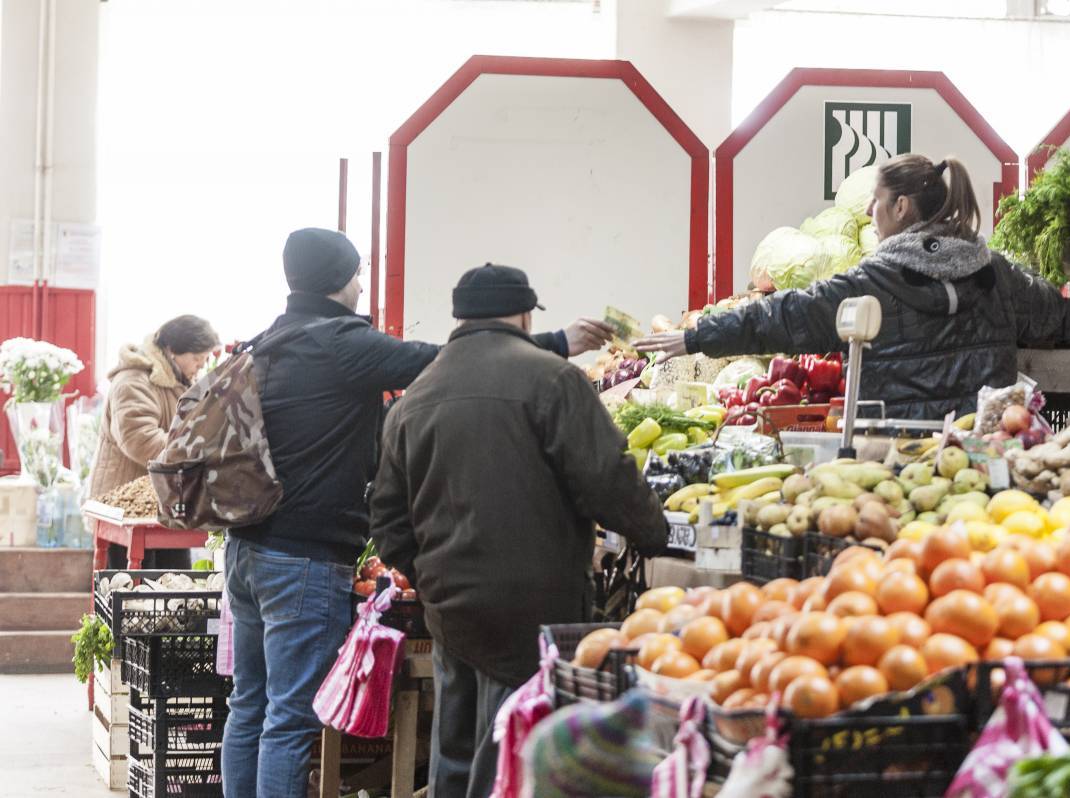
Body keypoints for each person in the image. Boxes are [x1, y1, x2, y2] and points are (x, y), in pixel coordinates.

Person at [220, 229, 616, 798]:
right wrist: (557, 342)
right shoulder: (339, 342)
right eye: (357, 274)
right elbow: (447, 362)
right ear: (338, 279)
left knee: (249, 705)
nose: (361, 286)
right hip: (301, 556)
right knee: (288, 718)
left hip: (246, 548)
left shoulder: (271, 340)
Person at [370, 263, 669, 798]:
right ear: (526, 314)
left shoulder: (414, 397)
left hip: (449, 610)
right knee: (514, 757)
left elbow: (388, 522)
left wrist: (432, 575)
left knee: (456, 756)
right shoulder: (554, 379)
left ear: (460, 317)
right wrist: (655, 535)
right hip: (535, 608)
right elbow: (608, 478)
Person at [634, 154, 1070, 419]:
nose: (867, 211)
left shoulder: (870, 283)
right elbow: (1054, 315)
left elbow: (784, 315)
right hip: (980, 452)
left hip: (893, 459)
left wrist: (696, 337)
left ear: (901, 207)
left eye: (876, 200)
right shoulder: (996, 273)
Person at [89, 314, 220, 568]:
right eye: (196, 358)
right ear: (173, 350)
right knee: (131, 585)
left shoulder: (177, 381)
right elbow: (139, 438)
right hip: (126, 509)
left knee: (174, 582)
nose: (200, 366)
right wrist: (193, 450)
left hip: (164, 504)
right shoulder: (134, 380)